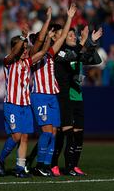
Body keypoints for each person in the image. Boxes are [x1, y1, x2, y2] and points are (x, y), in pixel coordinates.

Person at [0, 26, 52, 178]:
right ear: (15, 48)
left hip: (25, 105)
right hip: (12, 104)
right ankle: (0, 160)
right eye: (23, 48)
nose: (26, 50)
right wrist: (22, 38)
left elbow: (42, 52)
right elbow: (14, 53)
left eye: (27, 47)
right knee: (16, 136)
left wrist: (48, 39)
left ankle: (19, 168)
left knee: (25, 137)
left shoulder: (27, 63)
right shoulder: (8, 61)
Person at [28, 5, 77, 176]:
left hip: (51, 96)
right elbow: (41, 42)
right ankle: (40, 164)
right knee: (47, 132)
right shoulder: (32, 56)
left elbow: (62, 36)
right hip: (40, 96)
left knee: (54, 132)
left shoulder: (49, 54)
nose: (40, 40)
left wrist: (69, 17)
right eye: (37, 40)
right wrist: (47, 21)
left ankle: (46, 165)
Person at [52, 25, 103, 176]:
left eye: (75, 35)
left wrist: (92, 43)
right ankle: (55, 164)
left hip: (78, 97)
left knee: (78, 134)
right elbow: (72, 56)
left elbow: (96, 59)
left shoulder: (78, 53)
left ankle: (73, 166)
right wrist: (85, 43)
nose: (74, 37)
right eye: (71, 36)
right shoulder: (62, 53)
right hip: (66, 98)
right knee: (64, 133)